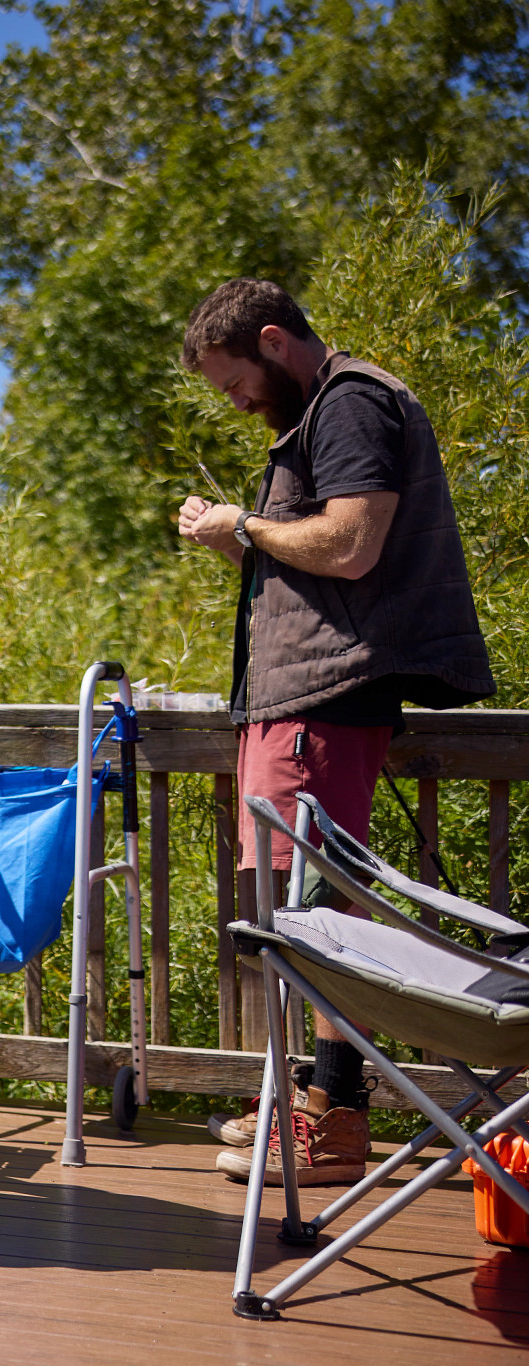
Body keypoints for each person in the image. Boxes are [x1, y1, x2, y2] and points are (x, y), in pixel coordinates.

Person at [175, 278, 493, 1185]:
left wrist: (245, 524)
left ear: (275, 341)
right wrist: (236, 539)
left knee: (317, 911)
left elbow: (352, 543)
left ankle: (335, 1118)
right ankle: (310, 1100)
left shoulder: (349, 402)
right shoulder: (324, 410)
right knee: (297, 906)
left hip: (321, 702)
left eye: (236, 381)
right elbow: (319, 563)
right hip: (299, 700)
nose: (236, 402)